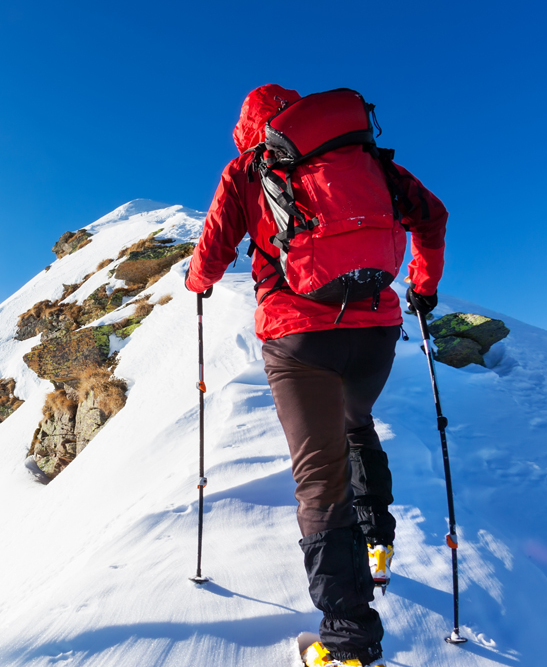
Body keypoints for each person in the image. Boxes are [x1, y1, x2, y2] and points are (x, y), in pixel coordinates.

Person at [184, 84, 447, 666]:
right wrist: (422, 288)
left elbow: (214, 247)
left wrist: (197, 283)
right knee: (357, 422)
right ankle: (376, 540)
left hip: (298, 336)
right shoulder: (364, 158)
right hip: (375, 329)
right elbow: (433, 216)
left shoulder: (250, 168)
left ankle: (349, 637)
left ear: (247, 126)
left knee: (319, 478)